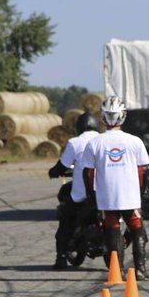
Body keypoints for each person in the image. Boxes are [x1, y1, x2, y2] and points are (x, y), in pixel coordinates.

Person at [80, 96, 149, 280]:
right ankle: (140, 270)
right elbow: (142, 171)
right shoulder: (134, 141)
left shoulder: (95, 143)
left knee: (112, 232)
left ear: (103, 118)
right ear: (123, 116)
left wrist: (91, 195)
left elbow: (88, 173)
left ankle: (117, 271)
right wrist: (143, 191)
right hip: (130, 196)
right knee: (137, 231)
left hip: (107, 197)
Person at [48, 112, 101, 270]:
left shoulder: (75, 142)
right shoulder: (104, 140)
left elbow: (63, 166)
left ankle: (61, 258)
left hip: (81, 196)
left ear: (79, 127)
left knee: (65, 220)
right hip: (105, 195)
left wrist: (53, 172)